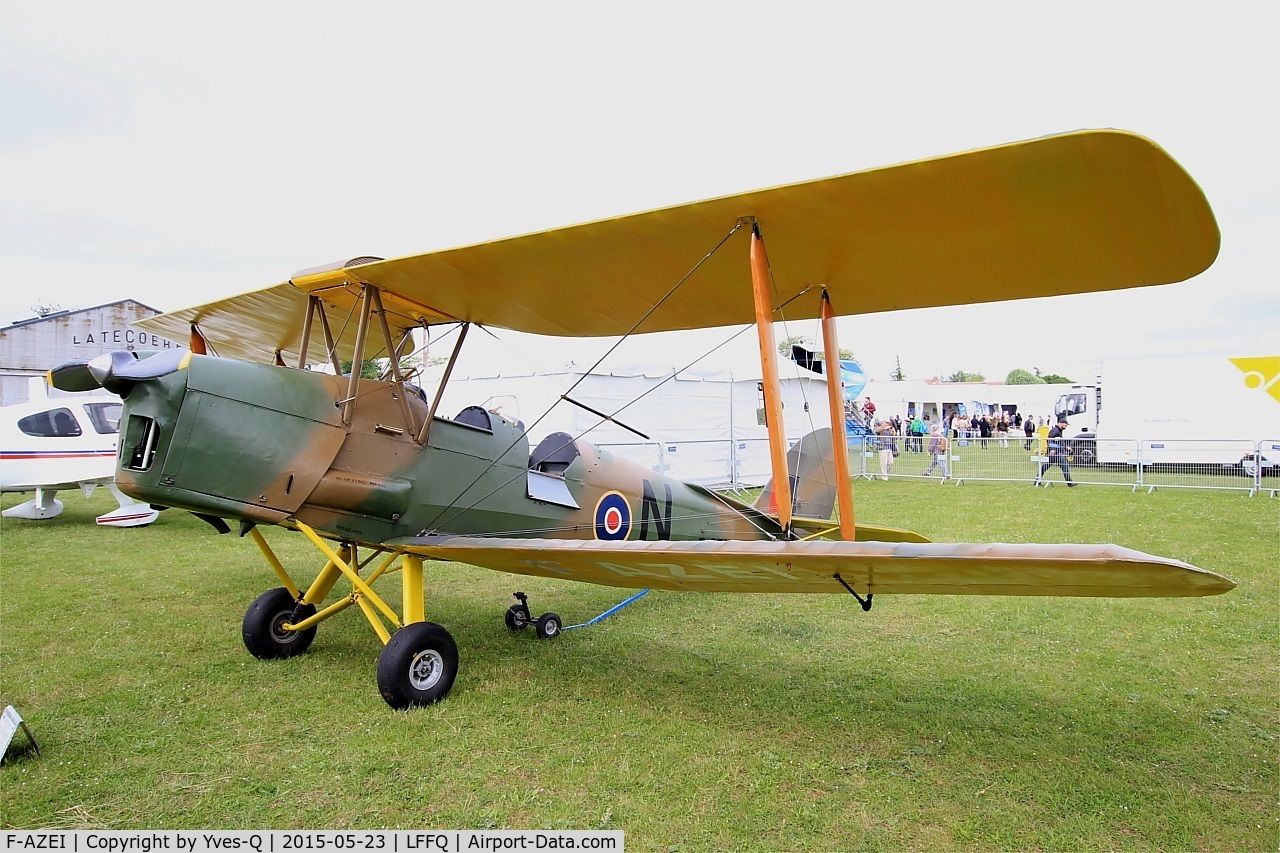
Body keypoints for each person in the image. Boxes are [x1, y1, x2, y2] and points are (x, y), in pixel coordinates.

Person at [1035, 416, 1077, 486]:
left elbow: (1058, 442)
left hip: (1055, 453)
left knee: (1044, 467)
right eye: (1065, 425)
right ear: (1061, 423)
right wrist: (1052, 449)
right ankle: (1069, 483)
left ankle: (1037, 481)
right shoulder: (1055, 430)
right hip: (1056, 453)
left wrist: (1066, 447)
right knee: (1064, 466)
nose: (1066, 426)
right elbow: (1049, 440)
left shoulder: (1058, 431)